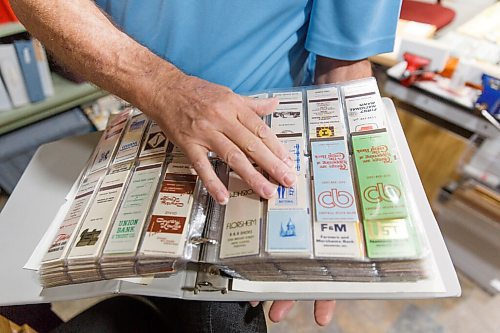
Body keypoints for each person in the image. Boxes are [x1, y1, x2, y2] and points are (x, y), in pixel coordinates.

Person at [11, 0, 401, 331]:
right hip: (141, 125)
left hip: (258, 151)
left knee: (218, 319)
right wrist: (163, 88)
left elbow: (344, 69)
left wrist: (341, 207)